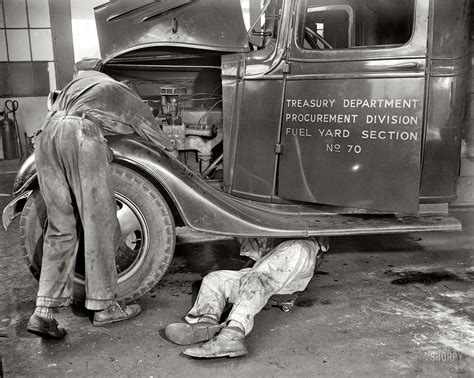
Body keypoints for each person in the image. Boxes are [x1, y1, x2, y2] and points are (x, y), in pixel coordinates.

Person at [26, 70, 172, 339]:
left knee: (60, 228)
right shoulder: (122, 91)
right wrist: (172, 149)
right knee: (99, 223)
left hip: (46, 135)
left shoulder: (82, 83)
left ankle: (43, 312)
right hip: (80, 134)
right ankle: (104, 308)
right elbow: (152, 130)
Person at [165, 237, 329, 358]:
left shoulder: (298, 247)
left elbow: (265, 274)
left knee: (258, 278)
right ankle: (207, 322)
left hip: (298, 247)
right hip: (268, 261)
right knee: (214, 279)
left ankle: (233, 335)